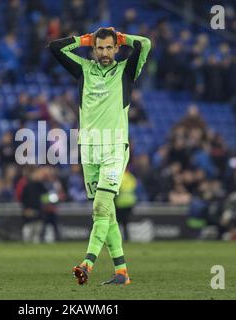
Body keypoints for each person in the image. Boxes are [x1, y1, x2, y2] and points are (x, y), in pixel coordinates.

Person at [49, 27, 151, 285]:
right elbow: (55, 47)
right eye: (100, 48)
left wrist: (123, 37)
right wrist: (83, 39)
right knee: (107, 215)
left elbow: (145, 44)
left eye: (109, 47)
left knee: (101, 208)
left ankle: (88, 262)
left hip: (115, 150)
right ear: (93, 49)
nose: (105, 53)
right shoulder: (83, 69)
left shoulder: (126, 71)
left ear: (116, 48)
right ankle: (121, 272)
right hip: (89, 150)